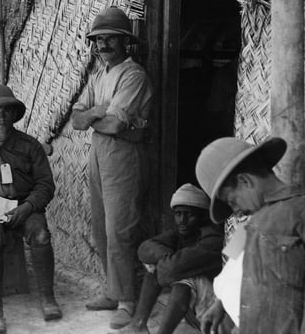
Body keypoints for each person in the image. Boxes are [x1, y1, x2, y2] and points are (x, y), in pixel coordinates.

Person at [71, 6, 153, 329]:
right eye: (99, 40)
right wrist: (97, 113)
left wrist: (96, 116)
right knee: (101, 224)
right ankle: (111, 290)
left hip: (124, 155)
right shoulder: (98, 76)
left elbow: (118, 128)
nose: (103, 46)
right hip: (98, 154)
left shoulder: (133, 75)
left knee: (119, 229)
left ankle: (127, 301)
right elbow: (78, 120)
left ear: (124, 42)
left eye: (111, 40)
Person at [0, 84, 62, 334]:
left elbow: (45, 185)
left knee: (40, 234)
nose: (0, 115)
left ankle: (48, 298)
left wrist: (27, 206)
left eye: (6, 110)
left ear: (13, 114)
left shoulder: (30, 146)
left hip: (24, 206)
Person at [195, 136, 305, 334]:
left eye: (232, 202)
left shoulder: (298, 212)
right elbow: (231, 272)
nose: (236, 211)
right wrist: (220, 304)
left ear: (244, 181)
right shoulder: (248, 226)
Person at [111, 184, 224, 334]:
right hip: (196, 309)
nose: (182, 220)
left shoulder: (212, 238)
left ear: (202, 216)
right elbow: (144, 248)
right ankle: (138, 325)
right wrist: (167, 258)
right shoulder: (182, 233)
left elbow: (172, 270)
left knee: (183, 280)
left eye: (189, 215)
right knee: (155, 268)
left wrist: (167, 261)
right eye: (178, 214)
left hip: (216, 310)